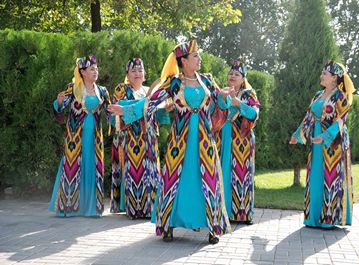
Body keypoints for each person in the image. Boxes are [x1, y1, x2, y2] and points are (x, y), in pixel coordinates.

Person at [108, 40, 233, 244]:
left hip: (204, 140)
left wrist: (226, 97)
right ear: (183, 60)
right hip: (180, 141)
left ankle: (212, 227)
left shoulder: (207, 81)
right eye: (195, 56)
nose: (199, 59)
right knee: (175, 180)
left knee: (208, 180)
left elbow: (219, 101)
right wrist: (126, 111)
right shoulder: (174, 83)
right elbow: (151, 102)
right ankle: (168, 225)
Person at [289, 61, 355, 228]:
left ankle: (329, 219)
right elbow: (309, 117)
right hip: (316, 140)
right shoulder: (318, 95)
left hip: (334, 142)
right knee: (316, 174)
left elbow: (342, 119)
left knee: (331, 176)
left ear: (334, 78)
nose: (321, 75)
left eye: (325, 73)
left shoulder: (341, 96)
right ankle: (313, 218)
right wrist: (298, 134)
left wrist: (327, 135)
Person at [49, 55, 111, 217]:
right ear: (82, 72)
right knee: (73, 165)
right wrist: (60, 102)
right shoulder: (73, 88)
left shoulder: (103, 91)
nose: (95, 71)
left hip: (95, 137)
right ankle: (69, 207)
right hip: (75, 137)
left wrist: (124, 113)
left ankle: (91, 207)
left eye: (96, 68)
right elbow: (60, 109)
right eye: (92, 69)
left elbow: (110, 112)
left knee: (92, 165)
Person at [110, 58, 169, 219]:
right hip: (130, 137)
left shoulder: (149, 91)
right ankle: (135, 209)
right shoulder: (121, 89)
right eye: (133, 71)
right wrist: (144, 103)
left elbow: (157, 114)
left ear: (145, 74)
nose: (137, 74)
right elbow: (115, 113)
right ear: (127, 75)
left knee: (151, 171)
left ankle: (151, 208)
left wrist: (166, 108)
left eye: (140, 71)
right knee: (133, 172)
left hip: (149, 137)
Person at [216, 60, 260, 225]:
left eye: (237, 74)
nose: (232, 76)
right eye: (231, 73)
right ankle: (222, 209)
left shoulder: (249, 94)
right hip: (223, 137)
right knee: (223, 171)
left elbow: (254, 114)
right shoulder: (223, 92)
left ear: (243, 78)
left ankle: (242, 213)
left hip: (242, 139)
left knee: (242, 174)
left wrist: (239, 104)